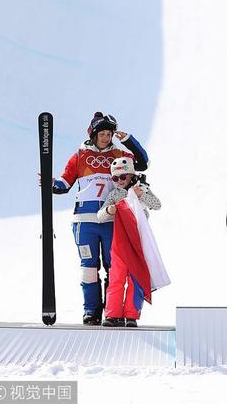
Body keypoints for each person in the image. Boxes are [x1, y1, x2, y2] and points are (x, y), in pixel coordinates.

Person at [52, 112, 149, 325]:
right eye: (102, 133)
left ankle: (111, 313)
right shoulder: (80, 155)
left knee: (114, 266)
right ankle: (90, 311)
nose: (106, 137)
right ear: (94, 133)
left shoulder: (118, 153)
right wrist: (52, 184)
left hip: (111, 220)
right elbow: (64, 184)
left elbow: (143, 162)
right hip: (84, 220)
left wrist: (128, 140)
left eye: (109, 134)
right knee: (88, 266)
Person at [98, 157, 161, 327]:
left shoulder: (141, 189)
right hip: (120, 241)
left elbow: (157, 205)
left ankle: (131, 315)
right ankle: (112, 315)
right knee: (116, 277)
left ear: (132, 174)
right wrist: (109, 210)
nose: (119, 181)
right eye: (115, 178)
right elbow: (100, 216)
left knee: (136, 278)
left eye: (123, 176)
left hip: (139, 241)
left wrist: (143, 194)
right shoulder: (115, 194)